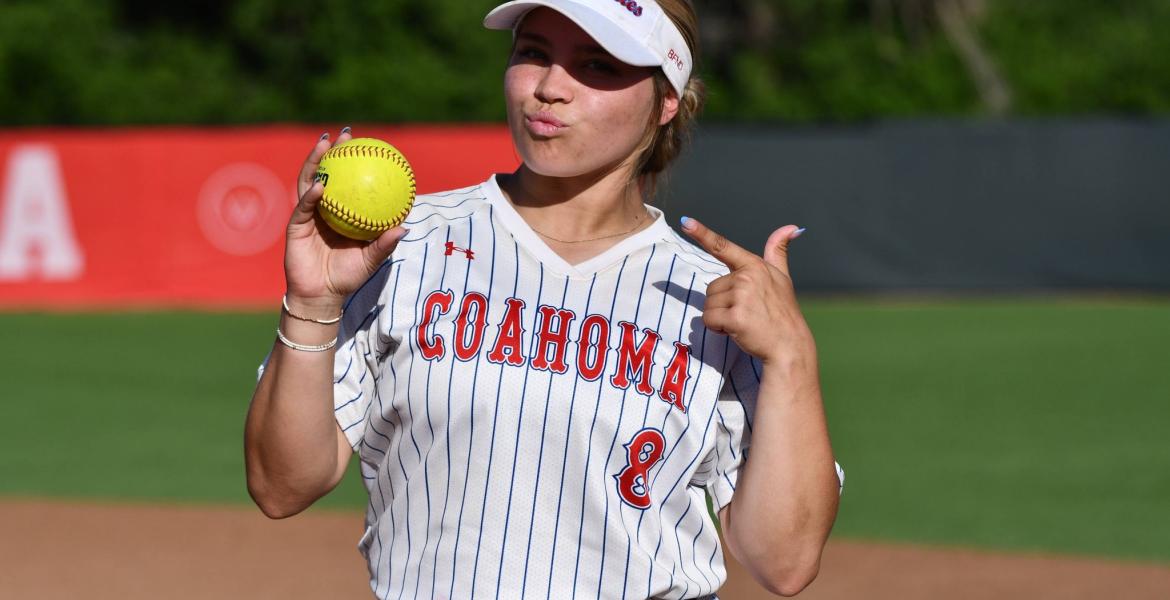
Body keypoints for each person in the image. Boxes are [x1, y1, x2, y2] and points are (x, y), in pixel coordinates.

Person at [244, 1, 843, 598]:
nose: (550, 88)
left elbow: (784, 562)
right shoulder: (403, 246)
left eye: (598, 65)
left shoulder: (714, 296)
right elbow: (281, 486)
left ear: (667, 101)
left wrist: (792, 357)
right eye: (532, 53)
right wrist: (313, 302)